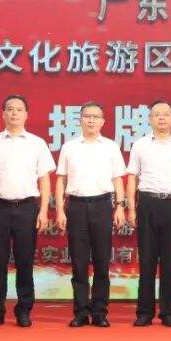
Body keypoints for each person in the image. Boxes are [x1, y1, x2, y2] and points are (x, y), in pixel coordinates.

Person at [0, 95, 55, 328]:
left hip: (27, 208)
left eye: (19, 109)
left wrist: (43, 211)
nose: (14, 113)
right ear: (3, 114)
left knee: (25, 261)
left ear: (26, 114)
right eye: (10, 109)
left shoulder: (37, 143)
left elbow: (45, 180)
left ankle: (24, 310)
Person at [55, 102, 127, 328]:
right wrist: (60, 210)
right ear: (80, 120)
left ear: (103, 121)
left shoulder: (111, 147)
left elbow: (118, 180)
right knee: (78, 261)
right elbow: (61, 180)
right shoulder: (69, 147)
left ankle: (99, 312)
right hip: (76, 206)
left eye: (96, 117)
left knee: (102, 261)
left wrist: (120, 206)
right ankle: (80, 312)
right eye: (87, 116)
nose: (91, 120)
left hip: (102, 205)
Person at [126, 100, 171, 327]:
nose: (162, 118)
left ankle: (168, 312)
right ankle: (144, 313)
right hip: (147, 203)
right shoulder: (140, 145)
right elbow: (132, 177)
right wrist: (132, 208)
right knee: (146, 260)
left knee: (170, 260)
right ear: (150, 119)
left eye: (166, 114)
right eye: (157, 114)